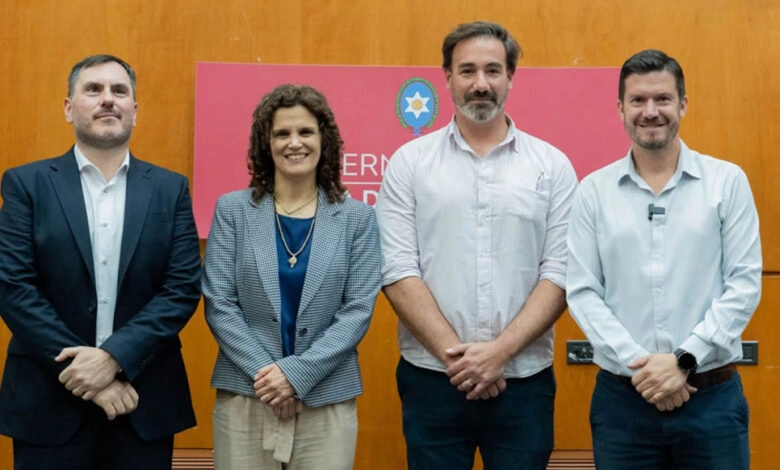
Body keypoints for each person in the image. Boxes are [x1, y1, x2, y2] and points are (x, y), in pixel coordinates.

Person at [376, 21, 578, 470]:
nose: (480, 84)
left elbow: (560, 272)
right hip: (432, 379)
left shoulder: (552, 166)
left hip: (524, 382)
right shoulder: (410, 164)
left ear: (511, 77)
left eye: (493, 70)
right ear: (446, 78)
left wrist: (499, 353)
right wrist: (461, 361)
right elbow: (396, 268)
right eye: (467, 71)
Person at [0, 54, 202, 469]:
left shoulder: (170, 189)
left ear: (134, 110)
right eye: (93, 90)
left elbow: (180, 289)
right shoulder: (26, 184)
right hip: (47, 403)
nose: (107, 100)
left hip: (142, 402)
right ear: (69, 107)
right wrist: (88, 377)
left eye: (119, 91)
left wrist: (113, 359)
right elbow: (14, 287)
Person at [566, 49, 761, 469]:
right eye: (637, 100)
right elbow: (582, 292)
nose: (650, 112)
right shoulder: (592, 192)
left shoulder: (727, 183)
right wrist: (646, 371)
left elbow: (743, 285)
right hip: (623, 405)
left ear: (683, 104)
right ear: (620, 108)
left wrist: (684, 361)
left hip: (712, 402)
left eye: (663, 99)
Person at [202, 84, 381, 469]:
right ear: (265, 144)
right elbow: (219, 304)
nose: (293, 143)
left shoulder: (358, 219)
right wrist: (270, 379)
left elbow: (357, 311)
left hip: (326, 397)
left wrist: (296, 376)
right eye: (281, 133)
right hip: (246, 395)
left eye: (305, 132)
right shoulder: (232, 211)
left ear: (324, 139)